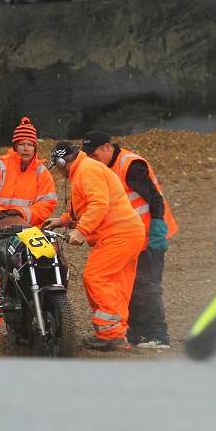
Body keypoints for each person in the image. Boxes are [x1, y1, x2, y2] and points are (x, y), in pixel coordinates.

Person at [43, 141, 147, 351]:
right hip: (130, 232)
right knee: (116, 284)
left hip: (118, 234)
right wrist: (63, 221)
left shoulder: (86, 171)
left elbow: (99, 204)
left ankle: (110, 335)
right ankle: (117, 333)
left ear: (62, 163)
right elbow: (88, 204)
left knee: (96, 277)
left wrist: (81, 231)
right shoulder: (86, 168)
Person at [0, 116, 59, 341]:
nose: (26, 148)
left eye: (30, 144)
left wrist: (24, 214)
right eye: (22, 144)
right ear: (15, 146)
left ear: (35, 147)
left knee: (32, 276)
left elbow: (49, 203)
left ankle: (33, 325)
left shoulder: (41, 172)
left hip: (26, 234)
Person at [81, 130, 178, 349]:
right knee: (128, 284)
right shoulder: (106, 167)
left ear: (107, 147)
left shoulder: (131, 164)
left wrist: (157, 230)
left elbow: (155, 198)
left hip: (149, 233)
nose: (92, 160)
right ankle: (133, 333)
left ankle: (158, 335)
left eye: (95, 155)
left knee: (147, 284)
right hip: (129, 235)